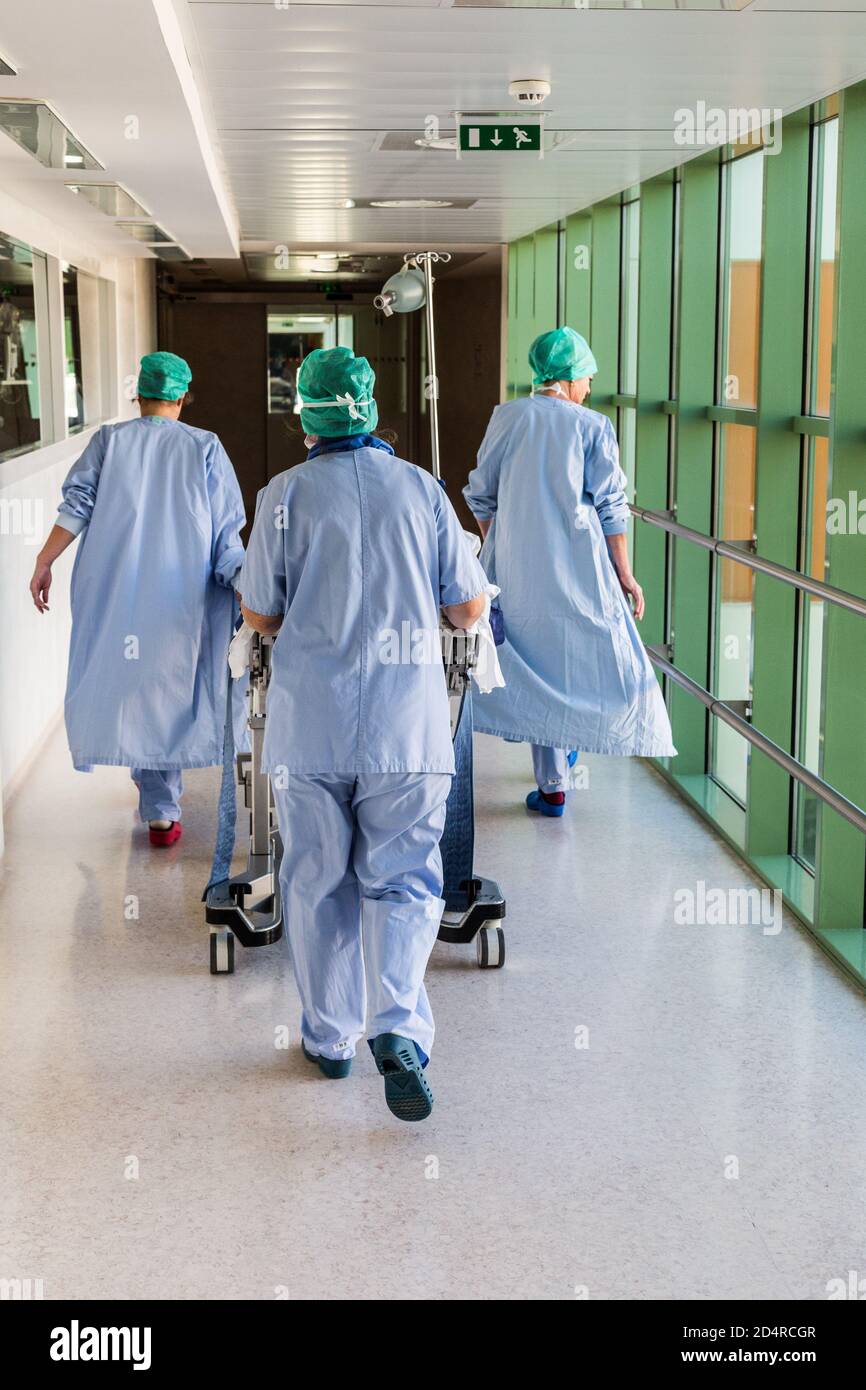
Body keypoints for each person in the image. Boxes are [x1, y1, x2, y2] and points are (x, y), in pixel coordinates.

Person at [239, 345, 487, 1122]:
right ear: (371, 410)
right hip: (404, 728)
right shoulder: (420, 490)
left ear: (303, 416)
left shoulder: (282, 495)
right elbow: (469, 609)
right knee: (404, 880)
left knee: (316, 881)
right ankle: (397, 1028)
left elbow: (261, 615)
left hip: (311, 728)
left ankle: (330, 1039)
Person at [29, 351, 245, 844]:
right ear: (182, 398)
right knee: (169, 686)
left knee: (134, 686)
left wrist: (45, 560)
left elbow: (76, 505)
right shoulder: (204, 446)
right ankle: (160, 804)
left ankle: (158, 804)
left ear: (139, 394)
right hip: (183, 592)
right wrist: (243, 583)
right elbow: (227, 533)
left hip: (118, 590)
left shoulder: (109, 441)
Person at [464, 326, 675, 817]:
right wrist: (625, 574)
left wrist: (499, 542)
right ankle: (567, 753)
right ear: (570, 377)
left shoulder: (507, 418)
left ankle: (554, 785)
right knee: (579, 655)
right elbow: (611, 508)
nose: (590, 387)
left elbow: (480, 493)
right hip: (579, 568)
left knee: (528, 658)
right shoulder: (592, 427)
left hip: (515, 569)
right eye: (587, 377)